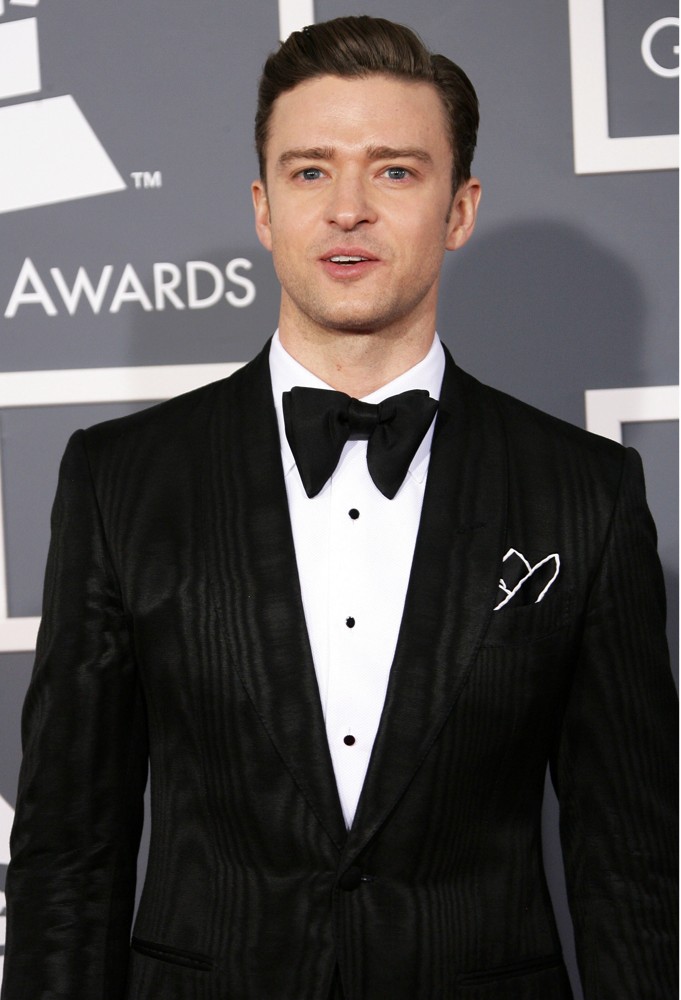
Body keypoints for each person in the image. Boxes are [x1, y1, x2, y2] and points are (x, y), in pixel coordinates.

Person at [2, 15, 676, 1000]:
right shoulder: (122, 479)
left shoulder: (584, 492)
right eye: (311, 171)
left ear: (459, 208)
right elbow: (70, 847)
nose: (349, 208)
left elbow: (632, 867)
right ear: (265, 207)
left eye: (395, 171)